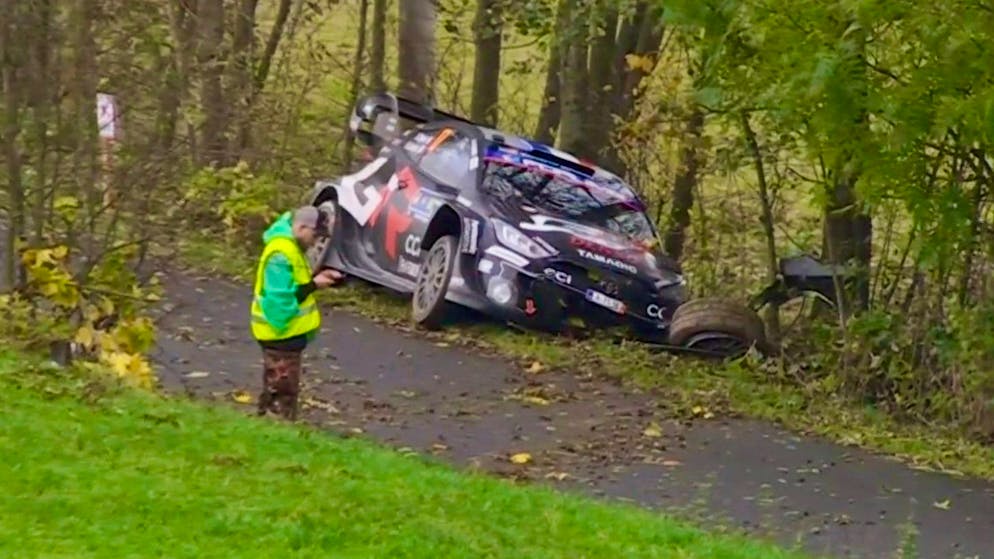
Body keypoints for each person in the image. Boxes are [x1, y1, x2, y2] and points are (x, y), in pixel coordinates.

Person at [250, 206, 342, 420]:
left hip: (285, 333)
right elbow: (281, 300)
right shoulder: (281, 254)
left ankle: (266, 423)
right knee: (283, 390)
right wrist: (313, 285)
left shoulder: (289, 248)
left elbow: (293, 285)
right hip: (280, 332)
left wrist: (316, 281)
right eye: (315, 235)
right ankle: (277, 428)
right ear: (301, 227)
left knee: (277, 386)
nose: (316, 242)